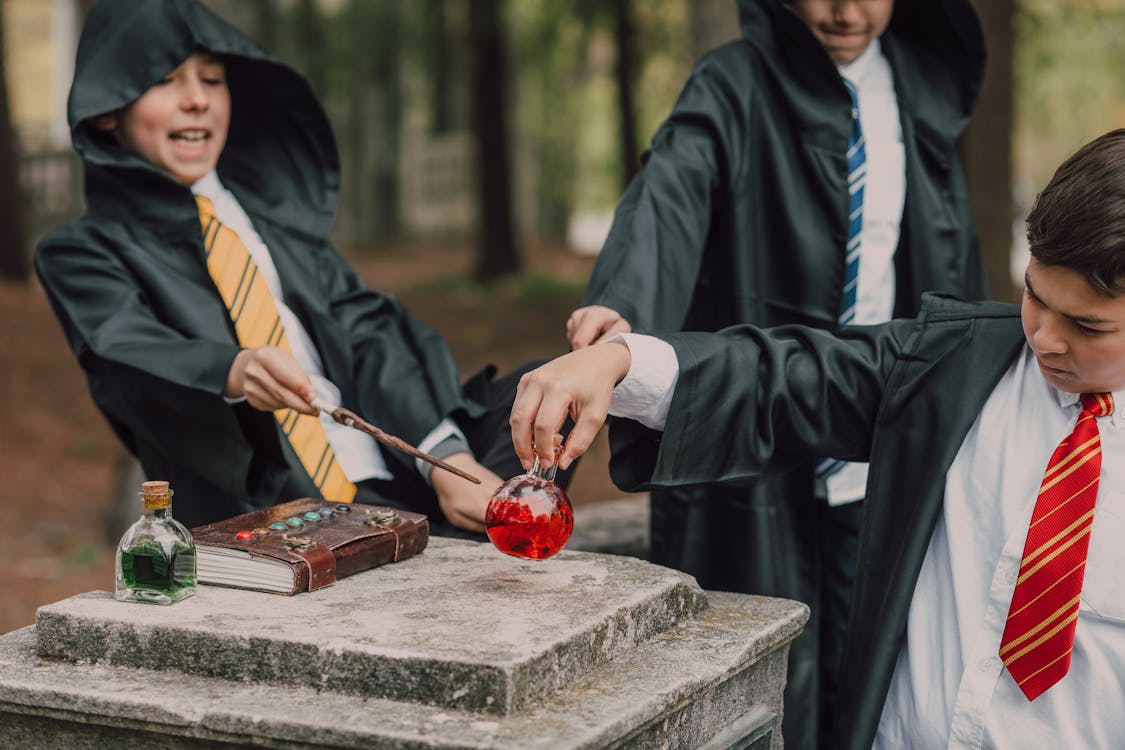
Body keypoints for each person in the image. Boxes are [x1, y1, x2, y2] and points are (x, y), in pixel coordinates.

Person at [511, 128, 1125, 749]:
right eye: (1033, 295)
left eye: (1085, 325)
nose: (1044, 337)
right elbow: (787, 375)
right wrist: (620, 362)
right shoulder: (961, 364)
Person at [564, 1, 986, 745]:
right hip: (759, 425)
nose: (844, 10)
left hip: (873, 433)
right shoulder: (733, 83)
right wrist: (620, 308)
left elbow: (950, 264)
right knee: (757, 686)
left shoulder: (923, 90)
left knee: (872, 676)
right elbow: (670, 192)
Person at [35, 0, 545, 533]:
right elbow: (131, 354)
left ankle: (459, 509)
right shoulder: (82, 253)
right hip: (274, 510)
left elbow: (370, 335)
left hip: (400, 480)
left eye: (212, 79)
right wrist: (233, 370)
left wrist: (445, 460)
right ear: (107, 108)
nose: (196, 100)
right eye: (165, 80)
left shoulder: (275, 223)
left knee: (549, 391)